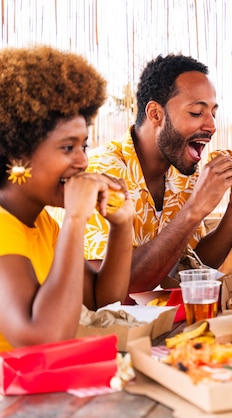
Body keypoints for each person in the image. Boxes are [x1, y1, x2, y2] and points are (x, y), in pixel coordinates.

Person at [81, 54, 232, 296]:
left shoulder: (183, 170)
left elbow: (191, 265)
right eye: (197, 113)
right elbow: (112, 294)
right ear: (156, 114)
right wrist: (194, 209)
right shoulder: (100, 174)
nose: (211, 126)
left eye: (213, 113)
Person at [0, 45, 134, 351]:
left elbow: (102, 301)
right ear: (18, 151)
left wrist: (121, 225)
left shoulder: (41, 222)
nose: (83, 162)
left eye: (83, 146)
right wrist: (75, 218)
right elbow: (39, 339)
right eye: (67, 148)